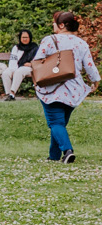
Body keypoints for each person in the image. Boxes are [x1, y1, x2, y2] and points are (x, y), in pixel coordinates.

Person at [34, 10, 99, 163]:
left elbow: (38, 61)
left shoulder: (49, 40)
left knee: (55, 123)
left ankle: (67, 151)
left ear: (61, 25)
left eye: (54, 22)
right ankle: (54, 156)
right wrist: (95, 81)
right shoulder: (81, 43)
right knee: (59, 124)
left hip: (51, 89)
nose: (53, 25)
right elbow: (89, 66)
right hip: (73, 91)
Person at [0, 28, 39, 101]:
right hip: (16, 67)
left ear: (30, 38)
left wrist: (31, 64)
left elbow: (38, 59)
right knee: (5, 73)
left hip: (30, 68)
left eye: (26, 37)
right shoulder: (16, 48)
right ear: (20, 38)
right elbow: (13, 61)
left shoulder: (34, 47)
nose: (25, 39)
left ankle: (12, 93)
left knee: (19, 71)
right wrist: (14, 70)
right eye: (23, 37)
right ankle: (9, 94)